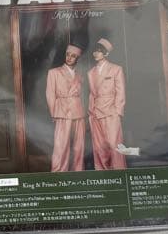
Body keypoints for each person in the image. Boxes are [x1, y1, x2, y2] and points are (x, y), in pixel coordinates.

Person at [46, 43, 86, 172]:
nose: (69, 58)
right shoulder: (54, 72)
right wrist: (54, 114)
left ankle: (78, 171)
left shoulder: (80, 76)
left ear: (77, 58)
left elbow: (83, 96)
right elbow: (50, 94)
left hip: (78, 112)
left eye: (73, 56)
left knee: (79, 145)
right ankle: (58, 172)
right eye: (68, 54)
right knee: (61, 145)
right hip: (62, 112)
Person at [87, 38, 126, 171]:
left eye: (99, 51)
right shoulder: (91, 72)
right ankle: (102, 174)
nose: (96, 53)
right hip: (95, 113)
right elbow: (92, 94)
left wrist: (118, 111)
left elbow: (120, 92)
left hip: (111, 112)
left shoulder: (116, 69)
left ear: (106, 53)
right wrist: (90, 112)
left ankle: (119, 173)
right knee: (99, 147)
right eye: (95, 50)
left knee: (115, 145)